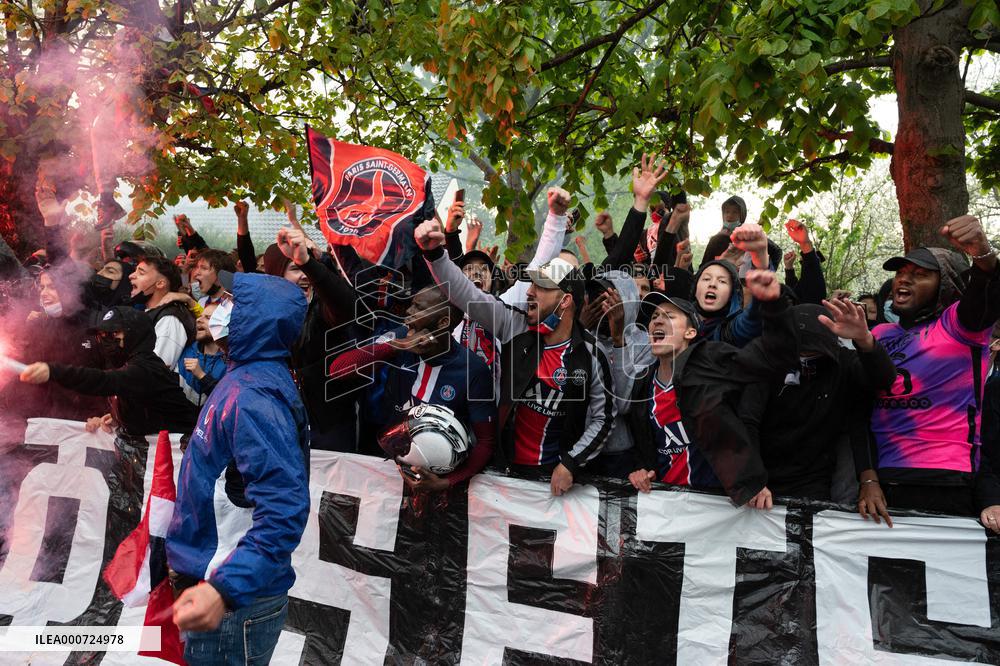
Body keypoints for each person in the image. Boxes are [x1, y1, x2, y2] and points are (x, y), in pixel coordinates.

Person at [419, 206, 616, 495]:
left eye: (541, 288)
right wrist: (436, 255)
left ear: (565, 302)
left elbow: (603, 418)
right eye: (531, 285)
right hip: (501, 471)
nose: (529, 293)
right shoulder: (515, 327)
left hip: (553, 484)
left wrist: (571, 463)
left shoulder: (591, 354)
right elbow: (466, 295)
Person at [167, 271, 310, 666]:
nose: (217, 307)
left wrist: (224, 590)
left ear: (256, 320)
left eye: (233, 302)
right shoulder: (242, 377)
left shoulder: (253, 397)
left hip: (235, 602)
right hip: (221, 584)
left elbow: (283, 513)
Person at [856, 215, 1000, 527]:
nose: (903, 280)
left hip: (945, 479)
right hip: (882, 482)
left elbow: (983, 297)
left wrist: (983, 256)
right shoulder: (879, 335)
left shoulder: (959, 326)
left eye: (919, 274)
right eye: (901, 273)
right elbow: (858, 410)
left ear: (945, 285)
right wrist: (868, 478)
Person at [624, 270, 798, 508]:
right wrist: (640, 469)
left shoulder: (711, 359)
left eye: (669, 316)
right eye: (654, 316)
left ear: (690, 332)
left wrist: (773, 305)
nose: (657, 320)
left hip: (717, 505)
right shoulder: (643, 384)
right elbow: (644, 443)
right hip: (666, 504)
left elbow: (774, 361)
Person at [328, 285, 497, 491]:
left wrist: (445, 483)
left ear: (443, 322)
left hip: (438, 484)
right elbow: (338, 369)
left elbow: (486, 441)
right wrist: (397, 346)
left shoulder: (473, 371)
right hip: (387, 469)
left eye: (418, 308)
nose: (408, 312)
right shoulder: (402, 336)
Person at [741, 300, 897, 501]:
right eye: (799, 353)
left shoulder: (844, 363)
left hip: (813, 479)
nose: (805, 359)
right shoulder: (763, 359)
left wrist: (864, 340)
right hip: (761, 474)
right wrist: (751, 477)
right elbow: (747, 420)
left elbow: (883, 380)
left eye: (814, 354)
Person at [18, 306, 199, 437]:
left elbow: (103, 381)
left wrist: (53, 371)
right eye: (102, 336)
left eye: (113, 335)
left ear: (134, 335)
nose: (106, 341)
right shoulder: (130, 365)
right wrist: (117, 418)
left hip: (186, 452)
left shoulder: (146, 368)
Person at [129, 256, 195, 369]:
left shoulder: (170, 319)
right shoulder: (152, 313)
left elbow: (156, 369)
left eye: (141, 273)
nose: (131, 276)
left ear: (160, 283)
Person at [177, 302, 227, 407]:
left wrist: (202, 376)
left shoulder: (230, 363)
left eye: (208, 318)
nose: (198, 320)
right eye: (200, 316)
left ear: (224, 325)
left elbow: (226, 401)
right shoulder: (186, 351)